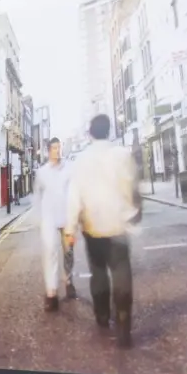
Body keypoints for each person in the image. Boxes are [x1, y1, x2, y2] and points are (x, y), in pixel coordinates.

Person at [64, 114, 141, 349]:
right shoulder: (122, 155)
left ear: (90, 133)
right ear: (108, 130)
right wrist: (134, 211)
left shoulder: (80, 160)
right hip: (118, 224)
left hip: (93, 226)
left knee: (98, 272)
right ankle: (124, 320)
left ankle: (101, 315)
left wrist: (70, 228)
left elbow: (73, 196)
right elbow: (132, 185)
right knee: (121, 272)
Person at [33, 137, 75, 312]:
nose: (57, 151)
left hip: (66, 219)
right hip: (49, 219)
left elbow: (74, 193)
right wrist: (39, 220)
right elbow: (37, 197)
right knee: (50, 253)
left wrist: (75, 218)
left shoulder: (69, 169)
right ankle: (51, 294)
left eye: (59, 147)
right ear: (48, 150)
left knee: (69, 253)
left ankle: (68, 279)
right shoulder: (41, 173)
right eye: (54, 148)